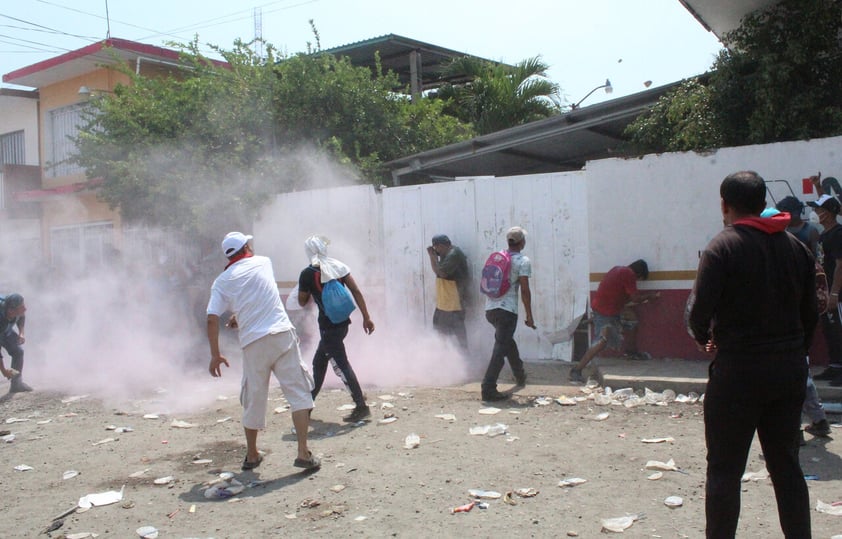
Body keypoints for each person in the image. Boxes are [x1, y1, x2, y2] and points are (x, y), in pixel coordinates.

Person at [687, 171, 817, 538]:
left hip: (739, 372)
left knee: (725, 470)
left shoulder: (722, 247)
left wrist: (703, 337)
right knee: (786, 465)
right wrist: (794, 353)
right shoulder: (798, 249)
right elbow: (811, 316)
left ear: (725, 205)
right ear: (764, 203)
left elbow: (699, 312)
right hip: (788, 371)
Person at [206, 232, 320, 472]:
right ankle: (303, 453)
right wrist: (244, 315)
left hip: (253, 343)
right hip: (280, 335)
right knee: (299, 393)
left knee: (253, 398)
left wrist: (215, 354)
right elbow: (259, 292)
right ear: (246, 247)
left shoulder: (222, 281)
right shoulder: (264, 261)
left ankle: (252, 454)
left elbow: (212, 318)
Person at [768, 202, 832, 440]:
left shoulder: (780, 254)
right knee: (800, 375)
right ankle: (818, 420)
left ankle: (793, 430)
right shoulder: (798, 251)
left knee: (787, 379)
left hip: (784, 328)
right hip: (799, 326)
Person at [298, 235, 375, 423]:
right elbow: (356, 291)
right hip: (342, 324)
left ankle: (361, 406)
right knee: (319, 363)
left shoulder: (307, 273)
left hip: (327, 327)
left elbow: (301, 301)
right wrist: (366, 317)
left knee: (341, 364)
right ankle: (307, 404)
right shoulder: (339, 266)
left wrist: (305, 289)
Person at [568, 260, 658, 383]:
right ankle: (577, 369)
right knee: (602, 342)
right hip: (606, 312)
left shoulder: (617, 269)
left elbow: (617, 295)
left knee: (632, 321)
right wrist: (650, 296)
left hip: (607, 308)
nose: (637, 282)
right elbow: (635, 298)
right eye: (639, 279)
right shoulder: (629, 274)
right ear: (639, 273)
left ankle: (631, 352)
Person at [480, 226, 535, 401]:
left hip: (491, 310)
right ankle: (488, 389)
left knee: (506, 342)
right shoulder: (522, 261)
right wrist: (529, 315)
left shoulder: (498, 257)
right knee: (499, 350)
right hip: (507, 311)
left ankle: (520, 375)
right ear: (522, 243)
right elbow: (525, 291)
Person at [807, 193, 842, 386]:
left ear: (827, 213)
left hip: (838, 294)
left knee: (840, 329)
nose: (815, 212)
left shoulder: (838, 234)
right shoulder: (825, 234)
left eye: (818, 209)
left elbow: (840, 265)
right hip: (826, 291)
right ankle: (835, 367)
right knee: (831, 330)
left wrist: (835, 293)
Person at [426, 234, 469, 351]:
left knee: (459, 337)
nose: (436, 252)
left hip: (454, 304)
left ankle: (465, 364)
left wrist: (432, 257)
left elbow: (441, 273)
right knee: (440, 333)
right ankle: (446, 360)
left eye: (436, 249)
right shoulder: (446, 255)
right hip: (444, 303)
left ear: (441, 245)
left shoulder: (454, 254)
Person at [0, 293, 31, 393]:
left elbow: (21, 316)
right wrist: (4, 371)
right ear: (10, 311)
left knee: (18, 352)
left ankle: (16, 385)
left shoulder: (13, 309)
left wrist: (21, 333)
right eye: (21, 307)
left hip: (5, 331)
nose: (25, 309)